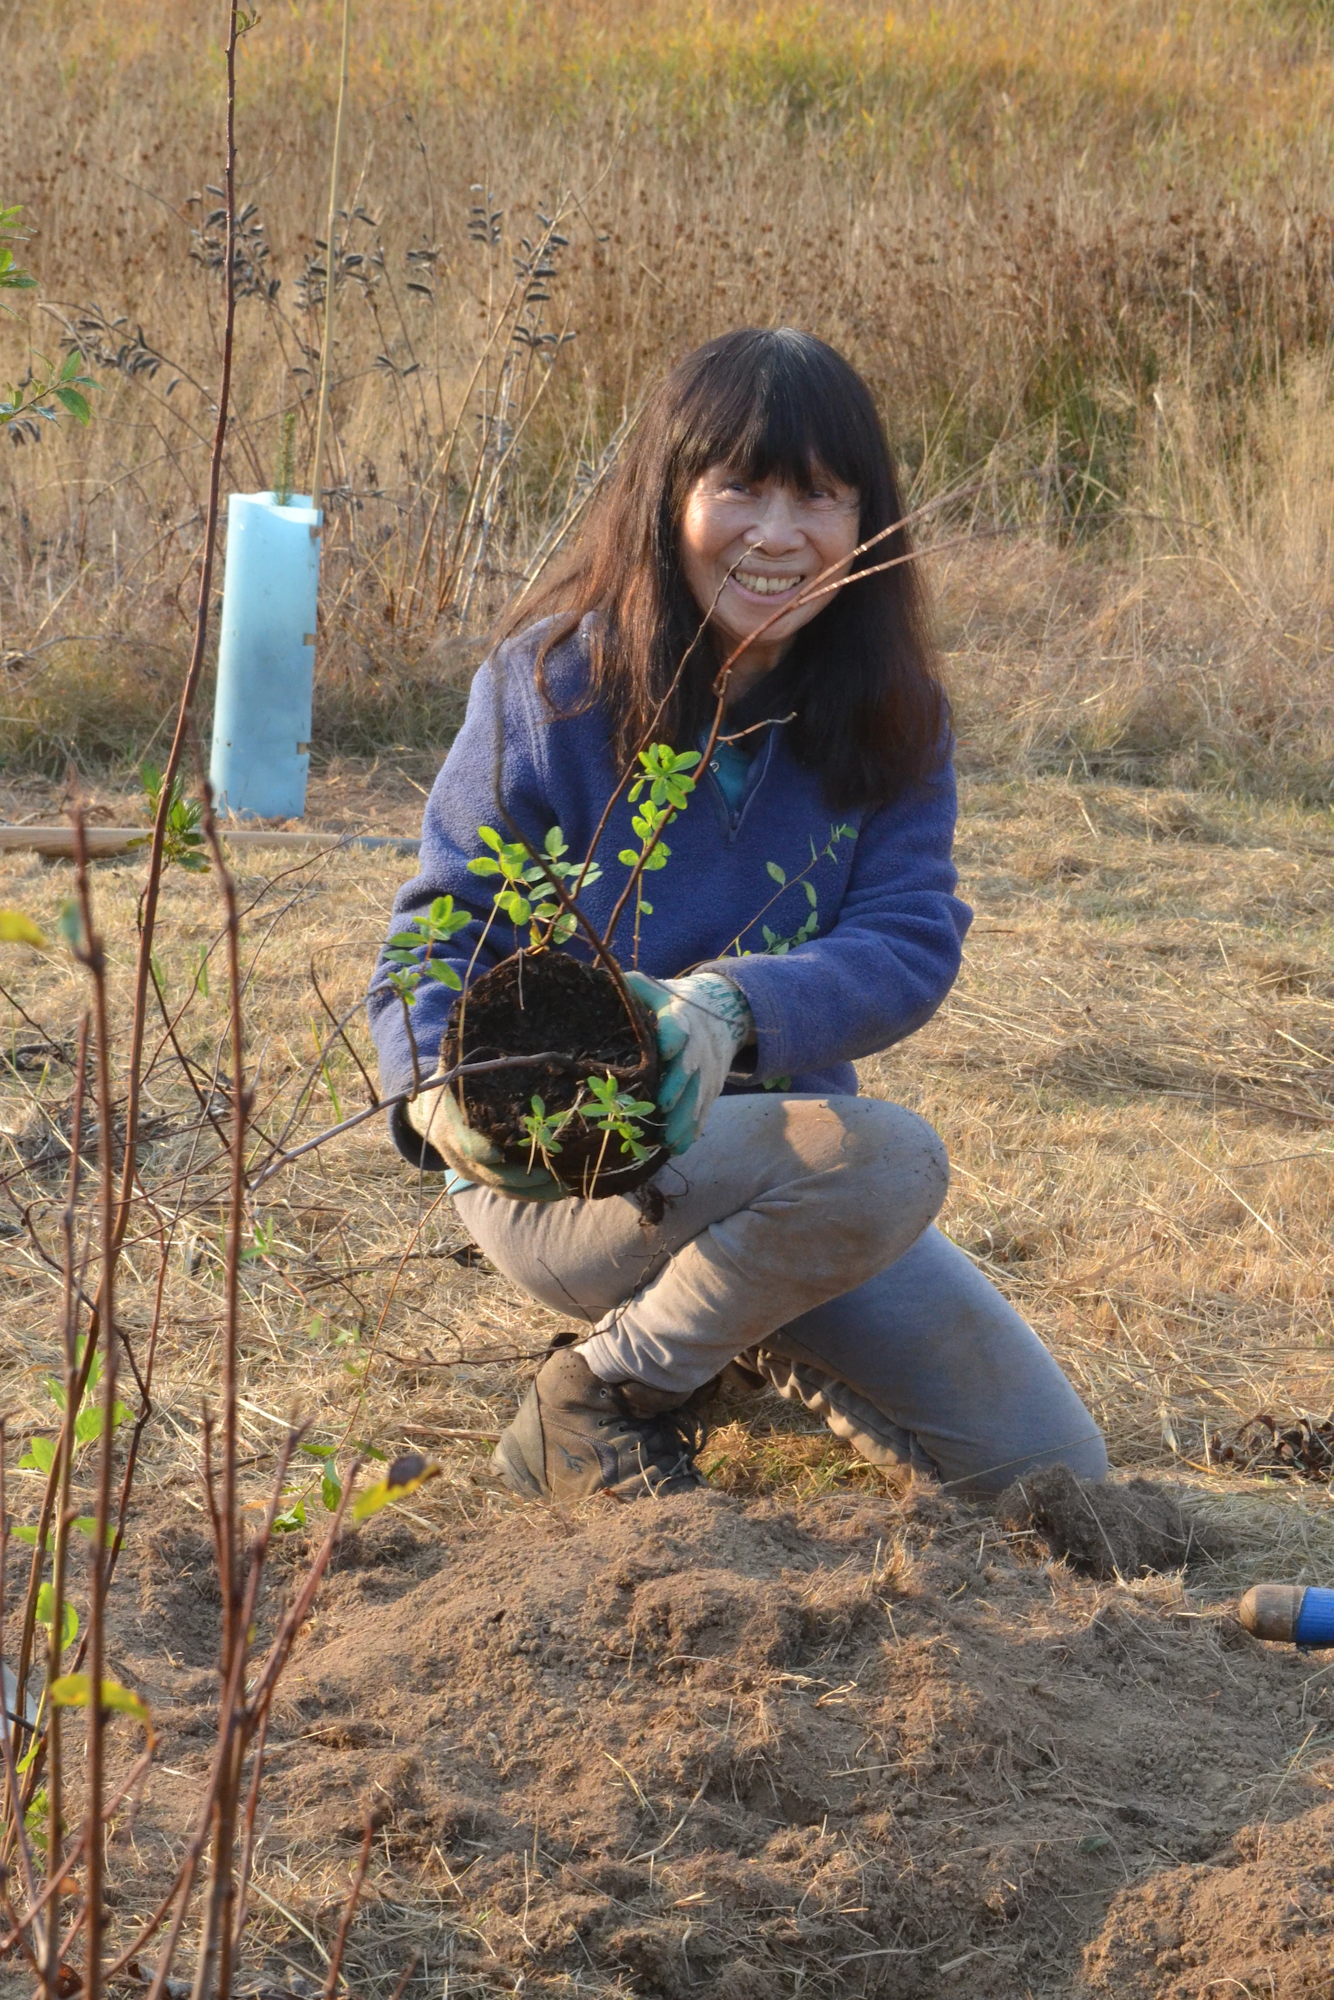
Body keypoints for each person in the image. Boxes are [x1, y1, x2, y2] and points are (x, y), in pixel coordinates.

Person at [367, 327, 1107, 1505]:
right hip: (577, 1174)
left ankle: (729, 1315)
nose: (775, 533)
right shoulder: (547, 689)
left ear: (863, 524)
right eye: (739, 488)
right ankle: (604, 1393)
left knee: (1051, 1475)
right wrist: (430, 1092)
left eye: (817, 494)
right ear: (669, 501)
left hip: (801, 1167)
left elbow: (909, 934)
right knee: (893, 1158)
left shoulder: (893, 716)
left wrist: (726, 1009)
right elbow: (435, 927)